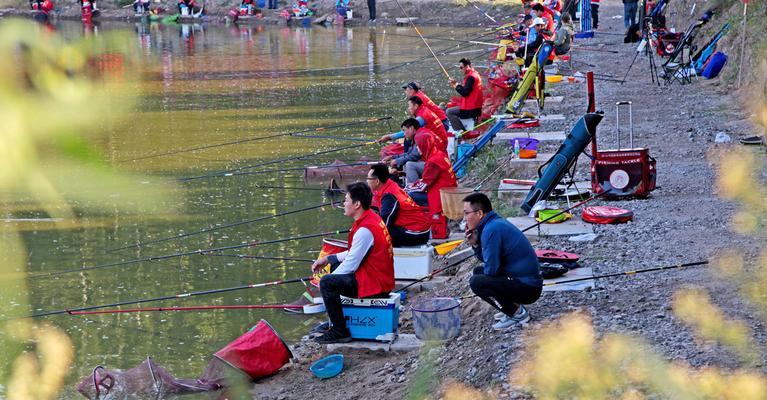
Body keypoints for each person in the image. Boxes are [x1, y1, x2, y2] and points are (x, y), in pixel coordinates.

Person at [311, 182, 395, 344]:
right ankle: (335, 321)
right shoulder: (371, 218)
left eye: (346, 200)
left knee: (329, 283)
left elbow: (351, 265)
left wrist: (324, 284)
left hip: (376, 285)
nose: (344, 203)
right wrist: (329, 258)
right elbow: (355, 253)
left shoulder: (365, 229)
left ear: (357, 204)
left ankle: (339, 330)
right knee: (334, 270)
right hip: (377, 277)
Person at [463, 193, 542, 330]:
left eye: (466, 213)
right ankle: (511, 307)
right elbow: (490, 263)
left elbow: (492, 270)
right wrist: (476, 245)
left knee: (477, 282)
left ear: (479, 213)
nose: (464, 219)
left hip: (529, 288)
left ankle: (517, 313)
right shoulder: (493, 223)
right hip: (525, 282)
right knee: (478, 272)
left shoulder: (490, 230)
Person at [407, 132, 456, 239]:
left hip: (440, 198)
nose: (418, 149)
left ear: (425, 145)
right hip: (448, 193)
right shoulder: (439, 154)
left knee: (409, 196)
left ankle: (416, 226)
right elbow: (427, 179)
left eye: (419, 146)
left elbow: (423, 186)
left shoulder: (433, 161)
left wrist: (405, 189)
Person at [367, 164, 431, 247]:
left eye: (368, 178)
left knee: (378, 233)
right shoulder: (390, 186)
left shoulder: (389, 195)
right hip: (421, 229)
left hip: (417, 233)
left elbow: (385, 222)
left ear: (377, 181)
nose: (367, 181)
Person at [380, 118, 435, 185]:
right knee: (406, 163)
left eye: (404, 130)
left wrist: (396, 161)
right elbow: (409, 153)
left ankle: (413, 189)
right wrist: (393, 157)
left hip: (434, 165)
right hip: (430, 163)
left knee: (410, 164)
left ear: (411, 128)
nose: (404, 134)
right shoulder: (419, 134)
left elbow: (413, 156)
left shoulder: (420, 136)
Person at [447, 58, 484, 134]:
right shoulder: (474, 74)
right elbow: (467, 89)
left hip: (471, 109)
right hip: (475, 106)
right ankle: (462, 130)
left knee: (449, 112)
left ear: (467, 66)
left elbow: (465, 93)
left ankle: (461, 132)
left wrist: (456, 85)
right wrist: (456, 84)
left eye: (461, 67)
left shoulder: (471, 77)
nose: (460, 70)